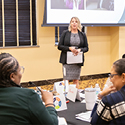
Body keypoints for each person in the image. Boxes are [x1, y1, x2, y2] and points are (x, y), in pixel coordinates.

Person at [0, 53, 58, 125]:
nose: (21, 74)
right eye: (19, 70)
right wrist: (49, 102)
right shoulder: (28, 96)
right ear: (12, 76)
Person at [91, 58, 125, 124]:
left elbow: (93, 121)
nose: (110, 80)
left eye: (112, 76)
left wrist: (100, 96)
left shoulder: (110, 101)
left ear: (123, 77)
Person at [58, 17, 89, 89]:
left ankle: (75, 97)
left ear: (78, 24)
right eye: (72, 22)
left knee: (76, 80)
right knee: (66, 80)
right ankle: (65, 96)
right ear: (70, 24)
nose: (74, 23)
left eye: (76, 22)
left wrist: (80, 50)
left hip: (77, 61)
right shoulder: (65, 33)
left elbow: (86, 48)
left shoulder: (82, 34)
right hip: (67, 61)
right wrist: (69, 48)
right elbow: (60, 46)